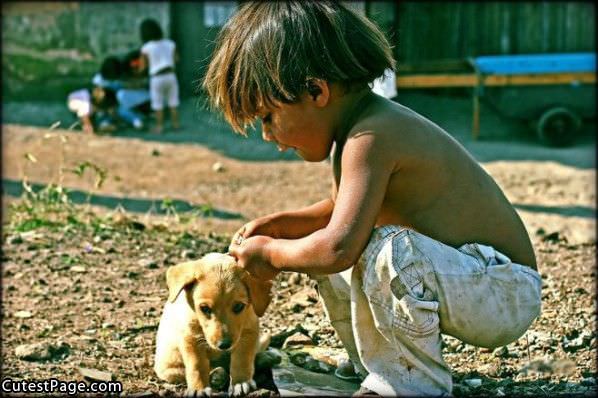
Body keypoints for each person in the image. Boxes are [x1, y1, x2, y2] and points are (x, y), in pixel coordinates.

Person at [203, 2, 542, 396]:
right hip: (468, 281)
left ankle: (409, 385)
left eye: (267, 118)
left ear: (316, 90)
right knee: (327, 249)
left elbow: (340, 245)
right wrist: (281, 228)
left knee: (382, 249)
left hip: (503, 290)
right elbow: (338, 218)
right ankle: (373, 365)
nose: (266, 135)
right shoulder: (354, 135)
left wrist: (272, 253)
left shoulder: (373, 137)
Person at [139, 18, 180, 134]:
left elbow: (143, 67)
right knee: (173, 101)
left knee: (158, 103)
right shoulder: (171, 43)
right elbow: (177, 59)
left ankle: (159, 127)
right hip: (171, 75)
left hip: (156, 78)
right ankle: (176, 125)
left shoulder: (146, 48)